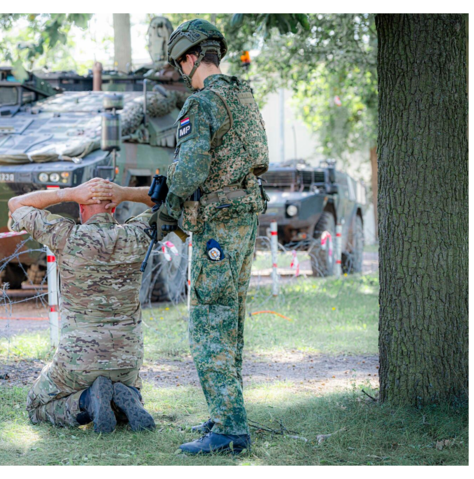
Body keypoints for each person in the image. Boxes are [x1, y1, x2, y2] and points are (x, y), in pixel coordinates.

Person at [161, 18, 269, 455]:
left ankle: (229, 430)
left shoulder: (201, 105)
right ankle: (229, 413)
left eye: (178, 63)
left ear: (189, 58)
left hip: (218, 226)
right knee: (232, 320)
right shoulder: (243, 94)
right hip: (245, 217)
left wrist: (167, 203)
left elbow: (188, 172)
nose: (179, 72)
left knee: (210, 324)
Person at [7, 177, 156, 434]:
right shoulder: (136, 234)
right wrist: (125, 192)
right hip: (127, 359)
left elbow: (16, 203)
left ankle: (86, 401)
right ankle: (128, 395)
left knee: (35, 406)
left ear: (80, 208)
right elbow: (174, 202)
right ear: (114, 208)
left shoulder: (66, 235)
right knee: (122, 386)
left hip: (78, 361)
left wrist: (70, 192)